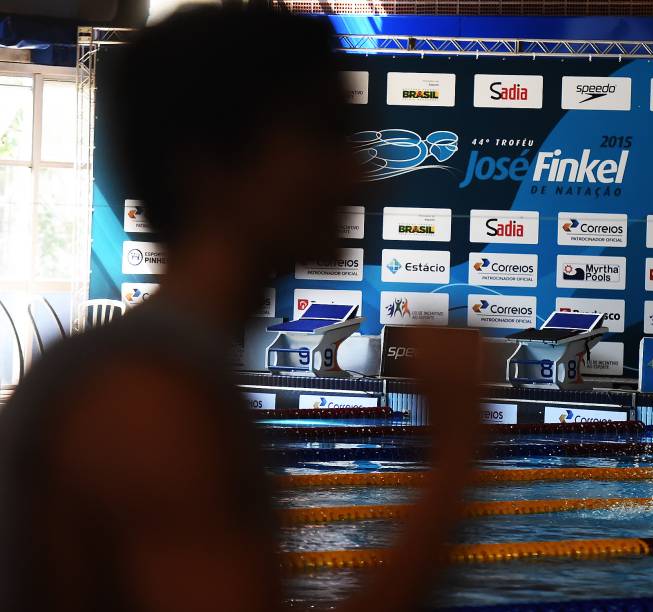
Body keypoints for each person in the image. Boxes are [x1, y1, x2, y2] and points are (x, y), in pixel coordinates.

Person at [0, 6, 482, 612]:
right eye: (322, 136)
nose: (357, 174)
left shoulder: (162, 371)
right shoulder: (147, 401)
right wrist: (457, 456)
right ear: (214, 167)